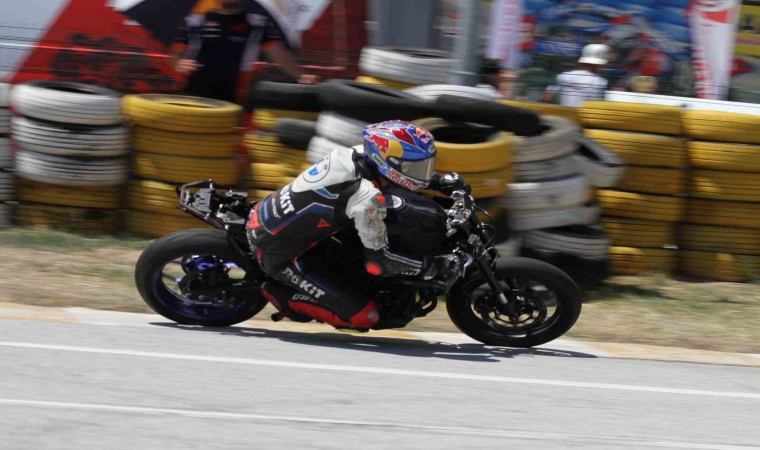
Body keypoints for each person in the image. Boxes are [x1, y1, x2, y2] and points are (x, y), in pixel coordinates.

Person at [246, 121, 468, 330]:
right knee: (365, 316)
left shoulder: (360, 154)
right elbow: (379, 263)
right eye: (417, 168)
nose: (423, 174)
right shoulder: (366, 198)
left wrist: (441, 182)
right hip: (278, 253)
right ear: (387, 162)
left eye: (425, 166)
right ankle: (283, 295)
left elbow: (400, 175)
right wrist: (431, 267)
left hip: (278, 220)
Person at [172, 0, 318, 103]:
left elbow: (278, 55)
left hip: (234, 96)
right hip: (193, 93)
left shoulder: (258, 23)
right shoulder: (194, 22)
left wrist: (301, 75)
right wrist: (180, 63)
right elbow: (175, 56)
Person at [543, 43, 610, 107]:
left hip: (561, 113)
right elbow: (595, 106)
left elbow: (546, 97)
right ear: (600, 64)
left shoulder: (563, 76)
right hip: (582, 114)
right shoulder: (599, 82)